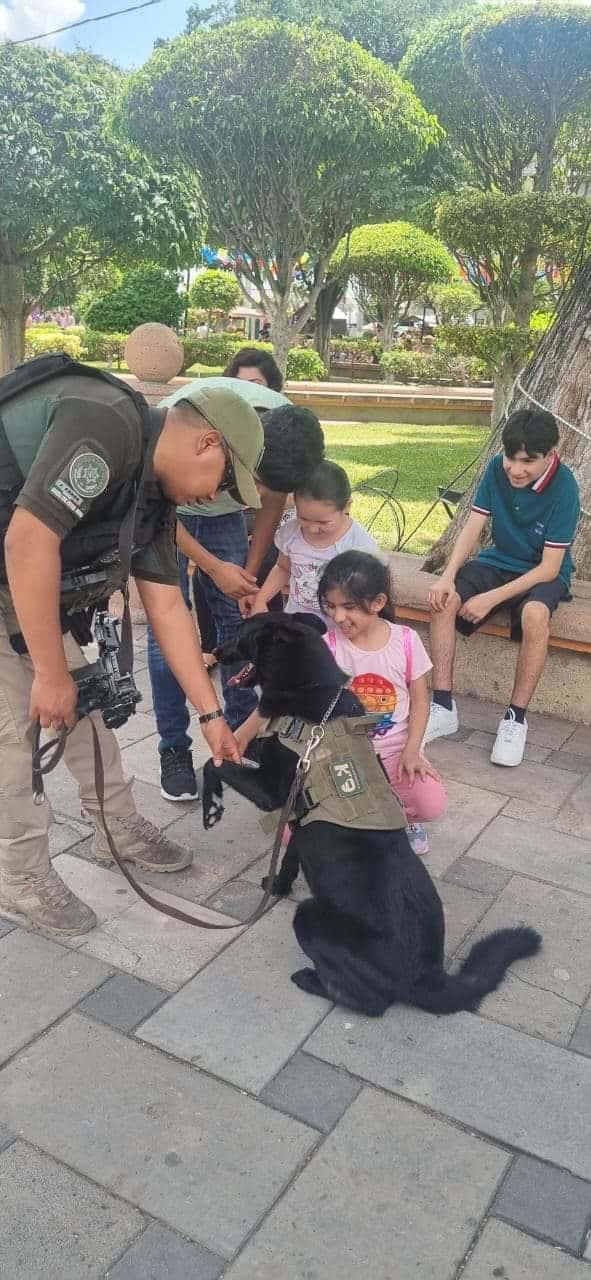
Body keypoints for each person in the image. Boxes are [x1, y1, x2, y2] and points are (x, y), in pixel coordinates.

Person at [0, 364, 264, 938]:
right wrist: (48, 671)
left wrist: (211, 716)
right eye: (221, 482)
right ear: (208, 442)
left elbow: (168, 608)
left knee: (84, 706)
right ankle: (19, 876)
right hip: (16, 568)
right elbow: (28, 538)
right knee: (15, 731)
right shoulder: (106, 423)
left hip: (23, 585)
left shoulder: (153, 494)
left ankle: (114, 827)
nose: (213, 498)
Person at [147, 380, 325, 801]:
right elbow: (152, 513)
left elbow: (269, 506)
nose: (257, 493)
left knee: (237, 627)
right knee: (166, 639)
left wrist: (246, 576)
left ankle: (242, 738)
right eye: (255, 481)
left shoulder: (289, 435)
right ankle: (173, 749)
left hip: (223, 518)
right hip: (168, 506)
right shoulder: (180, 423)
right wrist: (210, 566)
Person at [425, 408, 581, 766]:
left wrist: (490, 599)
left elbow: (550, 567)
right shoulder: (497, 469)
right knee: (443, 600)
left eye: (528, 461)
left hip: (541, 573)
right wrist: (448, 576)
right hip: (499, 562)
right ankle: (443, 705)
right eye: (511, 457)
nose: (515, 468)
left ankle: (515, 719)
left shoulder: (565, 486)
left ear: (550, 454)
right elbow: (473, 525)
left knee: (535, 613)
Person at [317, 551, 447, 856]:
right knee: (293, 833)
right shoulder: (328, 646)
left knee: (431, 802)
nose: (338, 617)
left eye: (349, 607)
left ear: (377, 603)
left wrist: (413, 750)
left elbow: (419, 703)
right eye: (331, 606)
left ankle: (402, 817)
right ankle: (369, 818)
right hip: (347, 757)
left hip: (397, 753)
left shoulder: (405, 640)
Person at [250, 460, 380, 618]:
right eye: (303, 518)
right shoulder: (291, 533)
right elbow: (283, 568)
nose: (312, 528)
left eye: (323, 522)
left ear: (346, 506)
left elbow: (369, 591)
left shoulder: (358, 544)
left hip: (339, 628)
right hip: (298, 622)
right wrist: (261, 599)